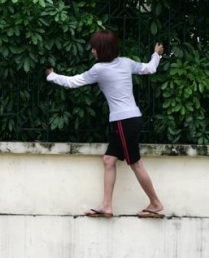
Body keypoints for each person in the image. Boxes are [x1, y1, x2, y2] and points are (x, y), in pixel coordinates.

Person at [45, 29, 165, 218]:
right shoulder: (126, 62)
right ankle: (107, 206)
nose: (92, 51)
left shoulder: (99, 70)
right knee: (109, 160)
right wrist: (156, 55)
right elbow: (150, 68)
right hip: (130, 120)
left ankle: (156, 203)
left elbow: (73, 82)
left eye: (95, 47)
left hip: (124, 121)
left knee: (136, 164)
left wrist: (52, 76)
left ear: (103, 49)